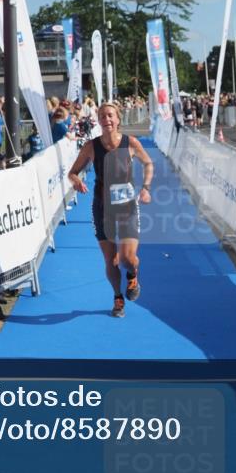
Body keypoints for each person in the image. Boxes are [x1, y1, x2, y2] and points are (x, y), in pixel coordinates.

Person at [67, 102, 154, 318]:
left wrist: (145, 188)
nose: (107, 120)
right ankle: (118, 297)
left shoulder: (130, 143)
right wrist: (76, 181)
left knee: (127, 258)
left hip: (126, 207)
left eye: (110, 116)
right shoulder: (91, 146)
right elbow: (72, 172)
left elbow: (148, 164)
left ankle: (133, 274)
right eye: (103, 116)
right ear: (98, 120)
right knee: (111, 259)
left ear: (118, 119)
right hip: (102, 207)